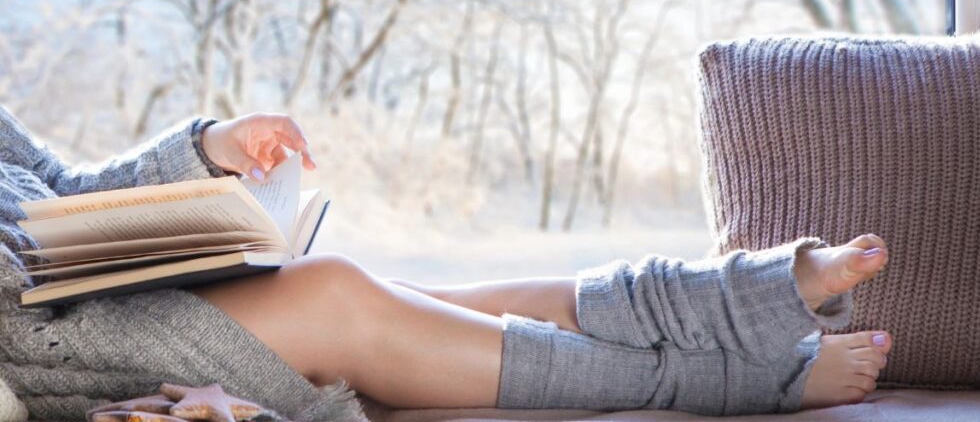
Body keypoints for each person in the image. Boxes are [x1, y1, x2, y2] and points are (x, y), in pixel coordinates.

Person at [0, 109, 892, 421]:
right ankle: (738, 372)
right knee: (342, 298)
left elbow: (68, 187)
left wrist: (207, 149)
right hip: (60, 341)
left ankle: (737, 303)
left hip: (117, 278)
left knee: (425, 299)